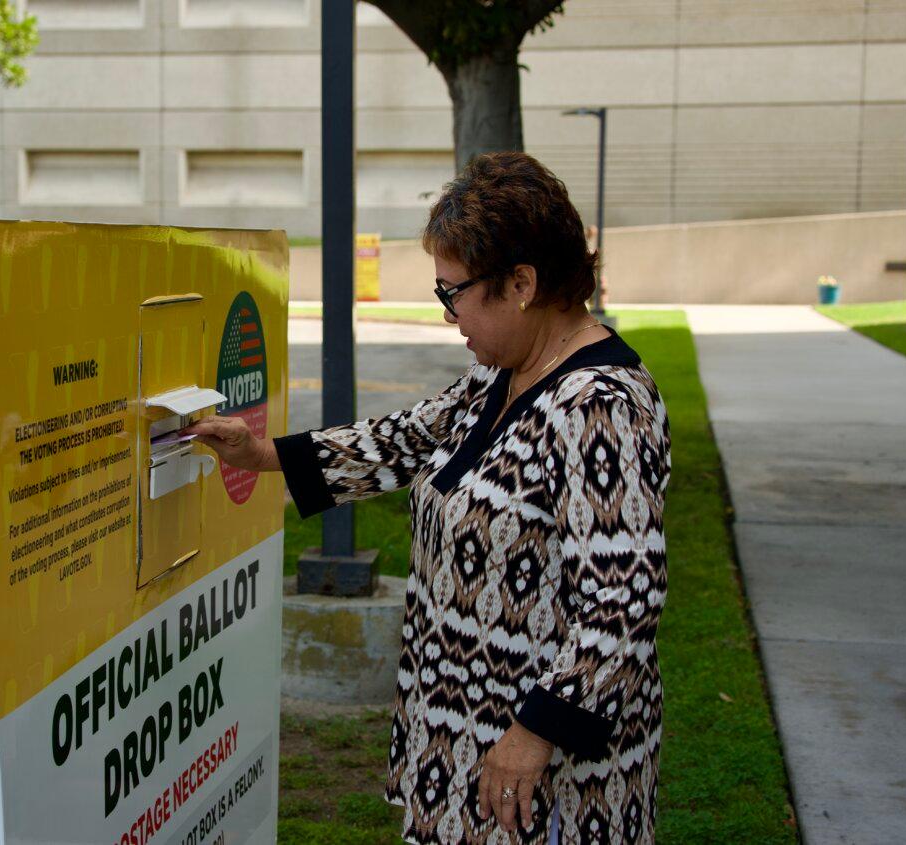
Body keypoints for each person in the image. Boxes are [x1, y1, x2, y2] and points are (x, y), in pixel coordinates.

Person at [187, 152, 670, 845]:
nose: (448, 316)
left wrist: (534, 734)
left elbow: (624, 600)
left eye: (453, 293)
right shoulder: (496, 376)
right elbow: (399, 442)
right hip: (467, 744)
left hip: (543, 777)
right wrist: (262, 454)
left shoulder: (603, 406)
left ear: (522, 284)